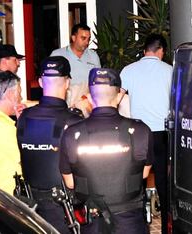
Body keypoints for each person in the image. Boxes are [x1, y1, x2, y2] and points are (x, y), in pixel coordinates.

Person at [59, 68, 153, 234]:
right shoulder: (141, 130)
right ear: (119, 96)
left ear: (89, 97)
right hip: (129, 222)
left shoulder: (71, 134)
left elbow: (70, 183)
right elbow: (144, 174)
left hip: (92, 222)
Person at [17, 56, 83, 233]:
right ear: (67, 82)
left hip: (31, 207)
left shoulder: (23, 117)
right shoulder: (74, 121)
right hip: (66, 209)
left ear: (40, 82)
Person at [120, 33, 172, 234]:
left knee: (137, 180)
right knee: (163, 182)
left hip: (138, 133)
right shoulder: (170, 70)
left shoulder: (129, 70)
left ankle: (140, 224)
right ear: (161, 51)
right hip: (162, 133)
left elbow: (116, 97)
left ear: (144, 51)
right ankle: (168, 227)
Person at [50, 23, 101, 111]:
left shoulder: (93, 56)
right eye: (83, 38)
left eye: (88, 39)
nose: (87, 42)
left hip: (87, 105)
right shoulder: (57, 55)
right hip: (64, 107)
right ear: (73, 38)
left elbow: (98, 81)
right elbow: (51, 83)